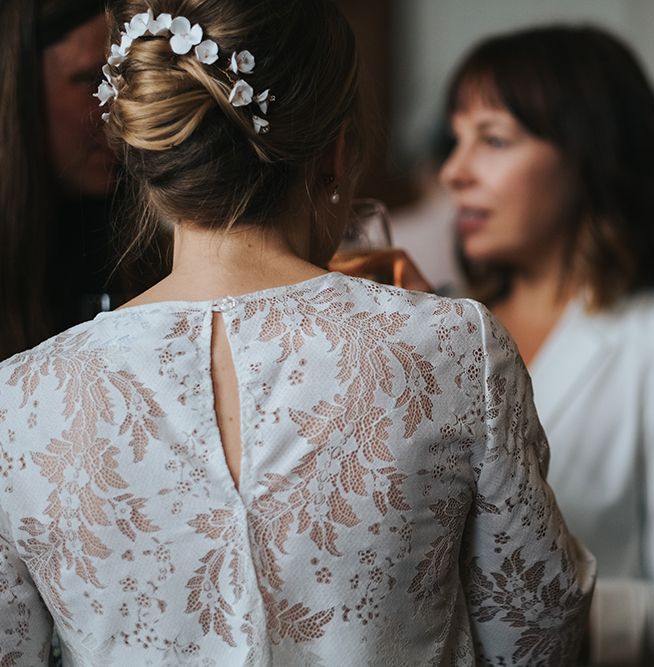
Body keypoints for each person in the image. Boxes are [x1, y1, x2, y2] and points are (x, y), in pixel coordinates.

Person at [0, 2, 595, 665]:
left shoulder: (20, 396)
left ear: (152, 160)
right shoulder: (453, 346)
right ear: (335, 155)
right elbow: (538, 636)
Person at [440, 24, 654, 666]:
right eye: (455, 140)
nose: (453, 172)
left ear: (588, 156)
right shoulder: (442, 331)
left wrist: (527, 608)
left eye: (492, 139)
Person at [0, 0, 164, 362]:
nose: (117, 108)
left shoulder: (149, 246)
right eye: (92, 80)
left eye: (126, 81)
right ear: (16, 86)